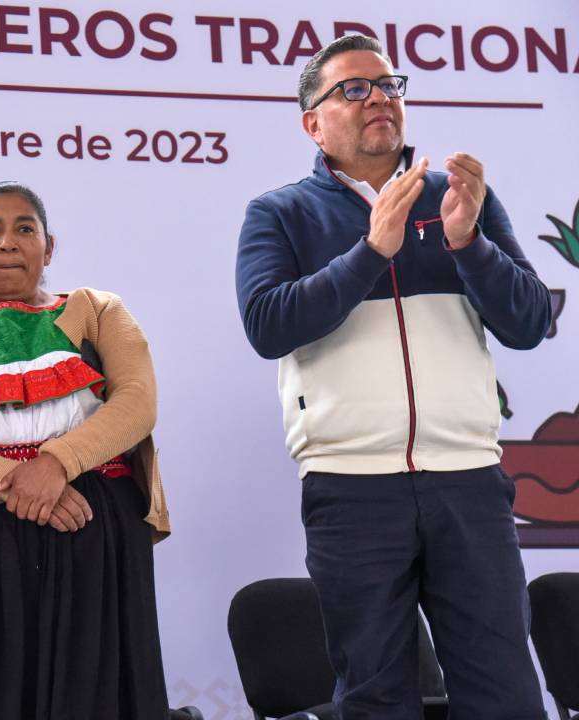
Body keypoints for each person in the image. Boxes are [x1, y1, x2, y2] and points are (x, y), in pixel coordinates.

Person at [235, 34, 550, 719]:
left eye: (389, 84)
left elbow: (528, 323)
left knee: (508, 698)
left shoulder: (457, 200)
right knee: (376, 700)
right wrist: (372, 249)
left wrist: (470, 245)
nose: (379, 97)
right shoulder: (279, 212)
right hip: (351, 491)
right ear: (312, 124)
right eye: (354, 88)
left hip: (468, 482)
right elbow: (267, 325)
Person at [0, 182, 186, 719]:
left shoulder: (97, 309)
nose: (9, 242)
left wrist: (57, 464)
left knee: (97, 690)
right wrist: (18, 483)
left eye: (25, 228)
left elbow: (137, 403)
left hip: (93, 526)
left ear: (49, 246)